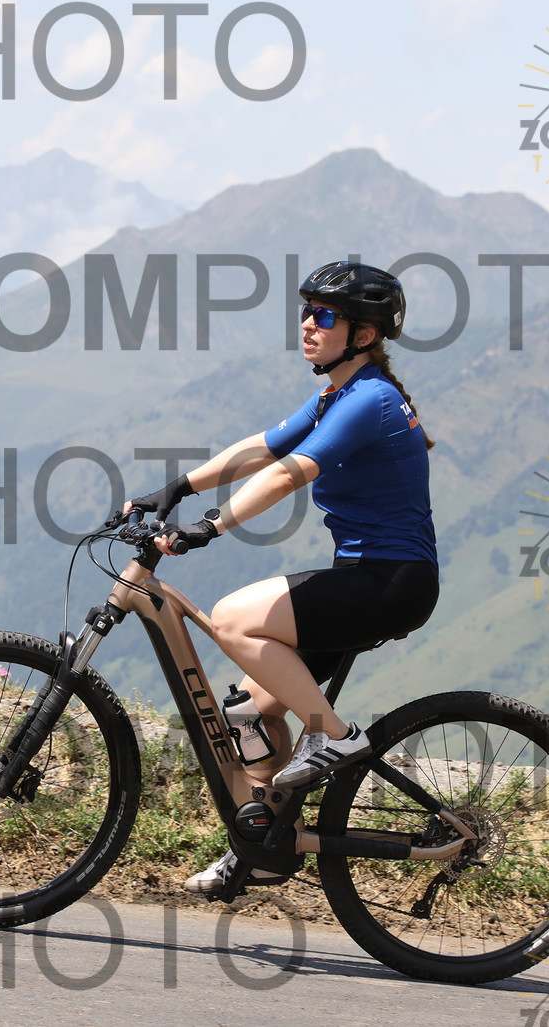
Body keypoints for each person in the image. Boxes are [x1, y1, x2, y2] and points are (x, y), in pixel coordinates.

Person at [123, 260, 439, 895]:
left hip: (390, 582)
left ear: (365, 334)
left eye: (325, 315)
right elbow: (264, 447)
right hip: (366, 578)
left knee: (233, 619)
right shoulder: (337, 394)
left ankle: (334, 737)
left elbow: (290, 472)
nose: (308, 324)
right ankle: (265, 848)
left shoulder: (370, 399)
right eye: (305, 312)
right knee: (247, 713)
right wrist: (178, 487)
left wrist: (211, 526)